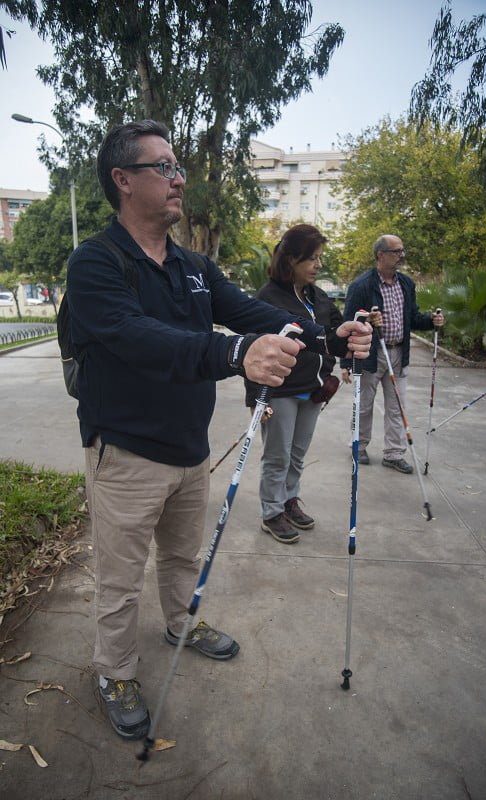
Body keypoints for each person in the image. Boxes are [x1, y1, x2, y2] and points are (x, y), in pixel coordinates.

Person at [67, 120, 372, 740]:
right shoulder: (95, 263)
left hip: (188, 449)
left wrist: (327, 334)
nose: (179, 178)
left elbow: (255, 311)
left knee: (183, 556)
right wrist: (235, 356)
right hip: (124, 453)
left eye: (178, 165)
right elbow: (135, 337)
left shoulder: (193, 265)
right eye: (164, 167)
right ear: (123, 181)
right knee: (120, 580)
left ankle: (181, 621)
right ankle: (117, 670)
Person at [245, 224, 344, 544]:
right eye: (311, 259)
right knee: (277, 455)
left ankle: (289, 499)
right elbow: (254, 348)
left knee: (297, 454)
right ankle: (271, 511)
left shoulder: (319, 297)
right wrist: (257, 400)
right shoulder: (268, 298)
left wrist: (362, 328)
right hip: (280, 391)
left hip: (313, 390)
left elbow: (335, 334)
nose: (318, 265)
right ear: (290, 261)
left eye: (319, 258)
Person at [341, 234, 445, 473]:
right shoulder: (362, 285)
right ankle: (359, 445)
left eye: (402, 251)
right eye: (396, 251)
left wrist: (432, 321)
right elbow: (349, 323)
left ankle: (394, 453)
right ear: (381, 255)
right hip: (370, 354)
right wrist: (345, 362)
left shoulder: (406, 284)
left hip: (399, 353)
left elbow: (413, 318)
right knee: (364, 405)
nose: (401, 256)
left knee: (398, 406)